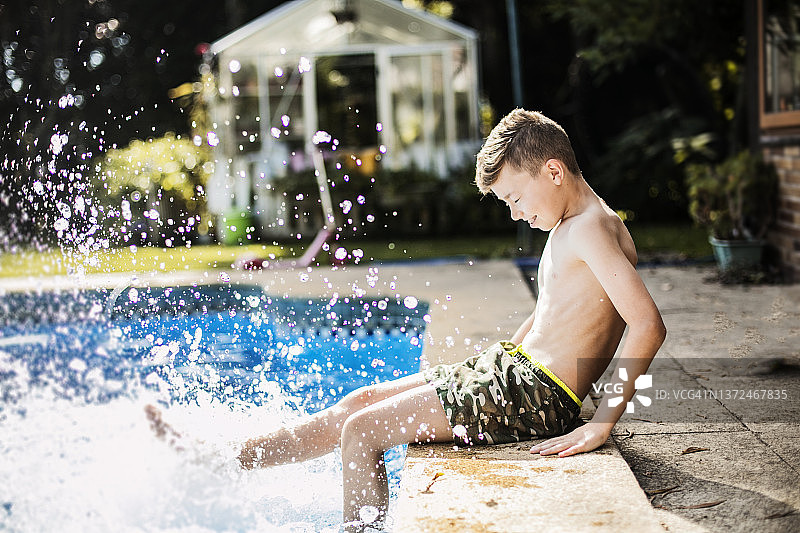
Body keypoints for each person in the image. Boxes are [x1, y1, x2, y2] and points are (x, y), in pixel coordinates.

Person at [147, 109, 666, 531]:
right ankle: (230, 456)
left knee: (361, 432)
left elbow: (647, 324)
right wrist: (502, 356)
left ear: (553, 171)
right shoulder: (575, 223)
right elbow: (553, 311)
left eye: (514, 197)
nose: (514, 213)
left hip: (534, 393)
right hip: (515, 375)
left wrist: (603, 423)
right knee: (359, 402)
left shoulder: (591, 228)